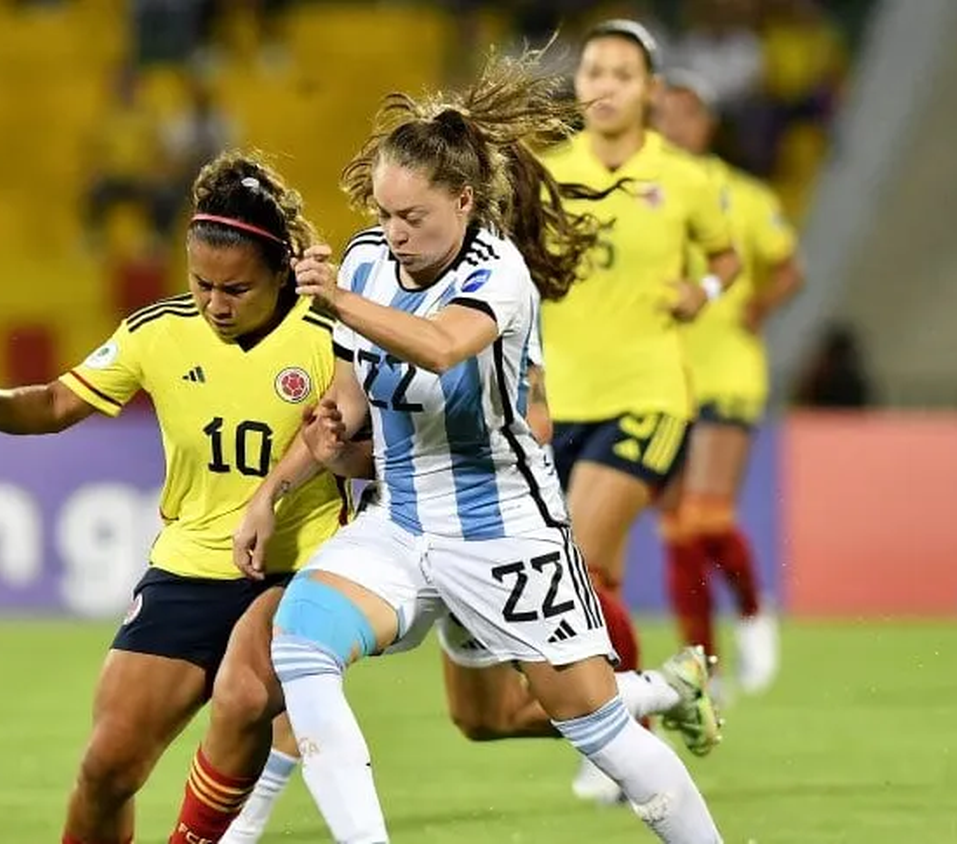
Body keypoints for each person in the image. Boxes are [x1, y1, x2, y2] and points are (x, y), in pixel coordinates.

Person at [232, 49, 725, 843]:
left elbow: (437, 346)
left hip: (506, 534)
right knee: (301, 642)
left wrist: (340, 303)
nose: (392, 234)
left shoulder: (499, 275)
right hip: (401, 527)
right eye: (385, 215)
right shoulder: (366, 262)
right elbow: (347, 403)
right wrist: (277, 489)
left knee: (597, 731)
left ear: (463, 201)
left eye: (412, 217)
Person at [0, 151, 349, 844]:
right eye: (202, 282)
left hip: (297, 565)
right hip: (189, 568)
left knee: (244, 698)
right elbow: (59, 401)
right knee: (106, 768)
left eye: (236, 289)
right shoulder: (158, 332)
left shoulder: (329, 335)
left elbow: (364, 439)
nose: (215, 303)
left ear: (280, 271)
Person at [536, 19, 742, 804]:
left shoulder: (685, 178)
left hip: (649, 395)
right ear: (579, 83)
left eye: (624, 72)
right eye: (594, 70)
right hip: (564, 403)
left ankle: (619, 737)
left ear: (651, 91)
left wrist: (705, 291)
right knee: (588, 577)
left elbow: (726, 258)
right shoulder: (546, 174)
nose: (607, 84)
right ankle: (665, 694)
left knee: (579, 564)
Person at [654, 70, 805, 695]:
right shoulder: (640, 193)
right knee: (676, 527)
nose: (671, 124)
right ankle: (703, 667)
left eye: (684, 113)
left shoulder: (741, 195)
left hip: (728, 370)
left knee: (706, 515)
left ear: (706, 123)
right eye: (660, 113)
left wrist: (757, 307)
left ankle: (750, 611)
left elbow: (789, 269)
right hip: (660, 375)